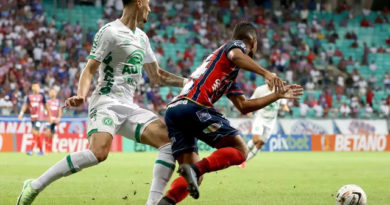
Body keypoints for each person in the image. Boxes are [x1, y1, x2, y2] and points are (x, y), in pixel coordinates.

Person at [17, 0, 186, 205]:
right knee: (98, 153)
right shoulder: (110, 32)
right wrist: (81, 94)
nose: (150, 9)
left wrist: (190, 83)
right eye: (149, 4)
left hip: (128, 106)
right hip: (105, 101)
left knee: (169, 140)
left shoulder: (142, 38)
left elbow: (157, 76)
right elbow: (89, 69)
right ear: (139, 3)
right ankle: (34, 186)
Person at [158, 22, 303, 204]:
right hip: (194, 106)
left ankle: (168, 200)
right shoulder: (236, 45)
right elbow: (235, 55)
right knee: (240, 150)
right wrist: (265, 73)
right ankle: (195, 170)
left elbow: (244, 106)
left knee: (194, 177)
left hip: (174, 111)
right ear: (253, 41)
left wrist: (276, 95)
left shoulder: (226, 72)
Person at [240, 81, 290, 168]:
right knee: (256, 140)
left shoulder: (280, 90)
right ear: (267, 80)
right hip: (260, 118)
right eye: (270, 79)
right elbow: (251, 100)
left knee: (260, 144)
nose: (272, 81)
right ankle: (241, 156)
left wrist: (286, 108)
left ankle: (243, 162)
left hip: (271, 121)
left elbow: (284, 104)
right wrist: (249, 110)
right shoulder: (260, 90)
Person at [18, 83, 52, 155]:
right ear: (32, 88)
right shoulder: (29, 97)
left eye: (37, 86)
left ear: (39, 88)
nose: (36, 88)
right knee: (37, 134)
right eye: (34, 86)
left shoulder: (42, 96)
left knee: (34, 132)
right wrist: (21, 113)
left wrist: (49, 116)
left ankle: (30, 149)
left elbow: (46, 106)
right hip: (33, 118)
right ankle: (41, 150)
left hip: (40, 117)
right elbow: (25, 105)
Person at [44, 88, 62, 153]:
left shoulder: (58, 102)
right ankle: (46, 149)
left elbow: (59, 110)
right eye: (51, 92)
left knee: (52, 135)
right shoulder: (47, 102)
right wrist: (49, 118)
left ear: (56, 93)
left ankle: (49, 149)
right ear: (49, 94)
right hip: (49, 120)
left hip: (55, 120)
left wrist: (59, 118)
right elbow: (46, 111)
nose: (52, 93)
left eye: (53, 92)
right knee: (47, 133)